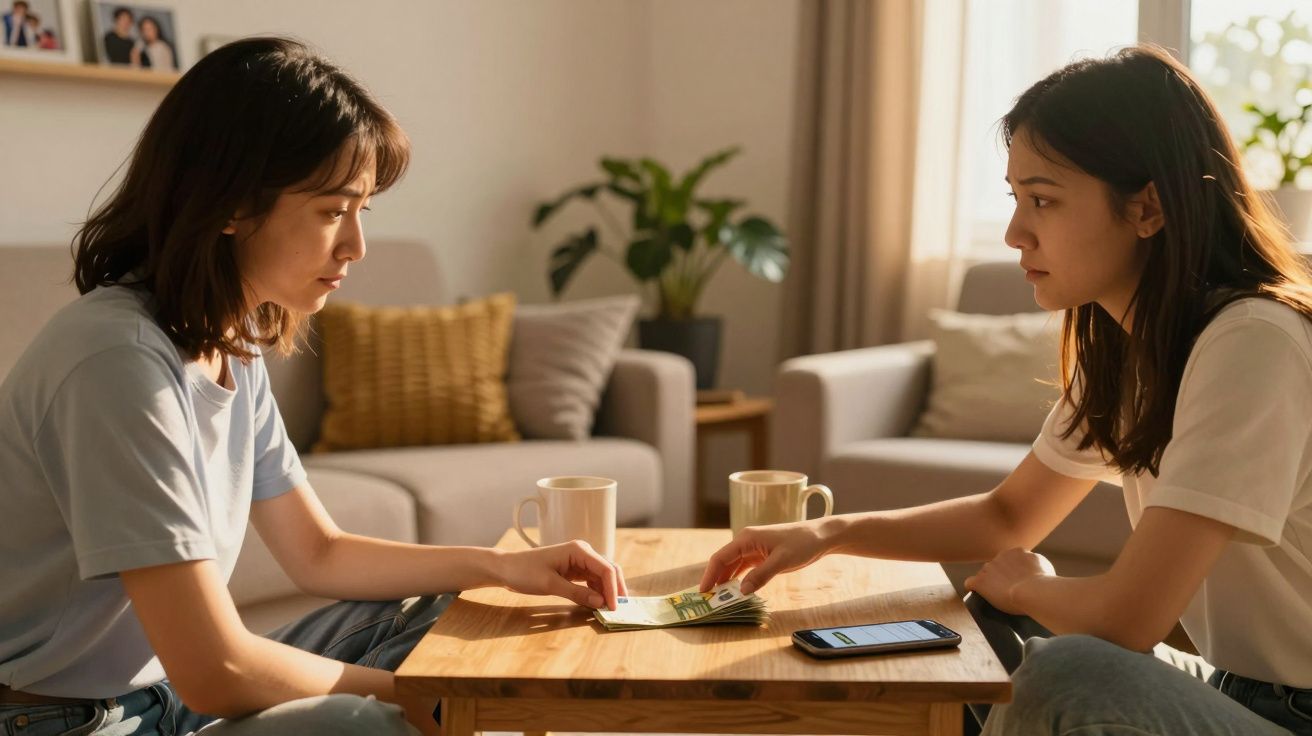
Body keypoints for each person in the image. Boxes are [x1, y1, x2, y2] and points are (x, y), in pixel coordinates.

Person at [0, 36, 625, 736]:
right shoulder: (115, 363)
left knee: (453, 614)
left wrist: (502, 566)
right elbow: (216, 668)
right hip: (69, 721)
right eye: (333, 211)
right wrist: (413, 695)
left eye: (364, 211)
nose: (356, 246)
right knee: (369, 723)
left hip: (164, 697)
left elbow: (317, 552)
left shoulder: (228, 346)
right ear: (232, 205)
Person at [700, 44, 1312, 735]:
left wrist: (1027, 585)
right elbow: (1007, 518)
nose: (1016, 233)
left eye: (1043, 201)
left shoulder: (1253, 341)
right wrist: (828, 531)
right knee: (989, 631)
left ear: (1149, 207)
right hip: (1241, 689)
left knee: (1065, 672)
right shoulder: (1132, 349)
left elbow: (1130, 617)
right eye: (1017, 199)